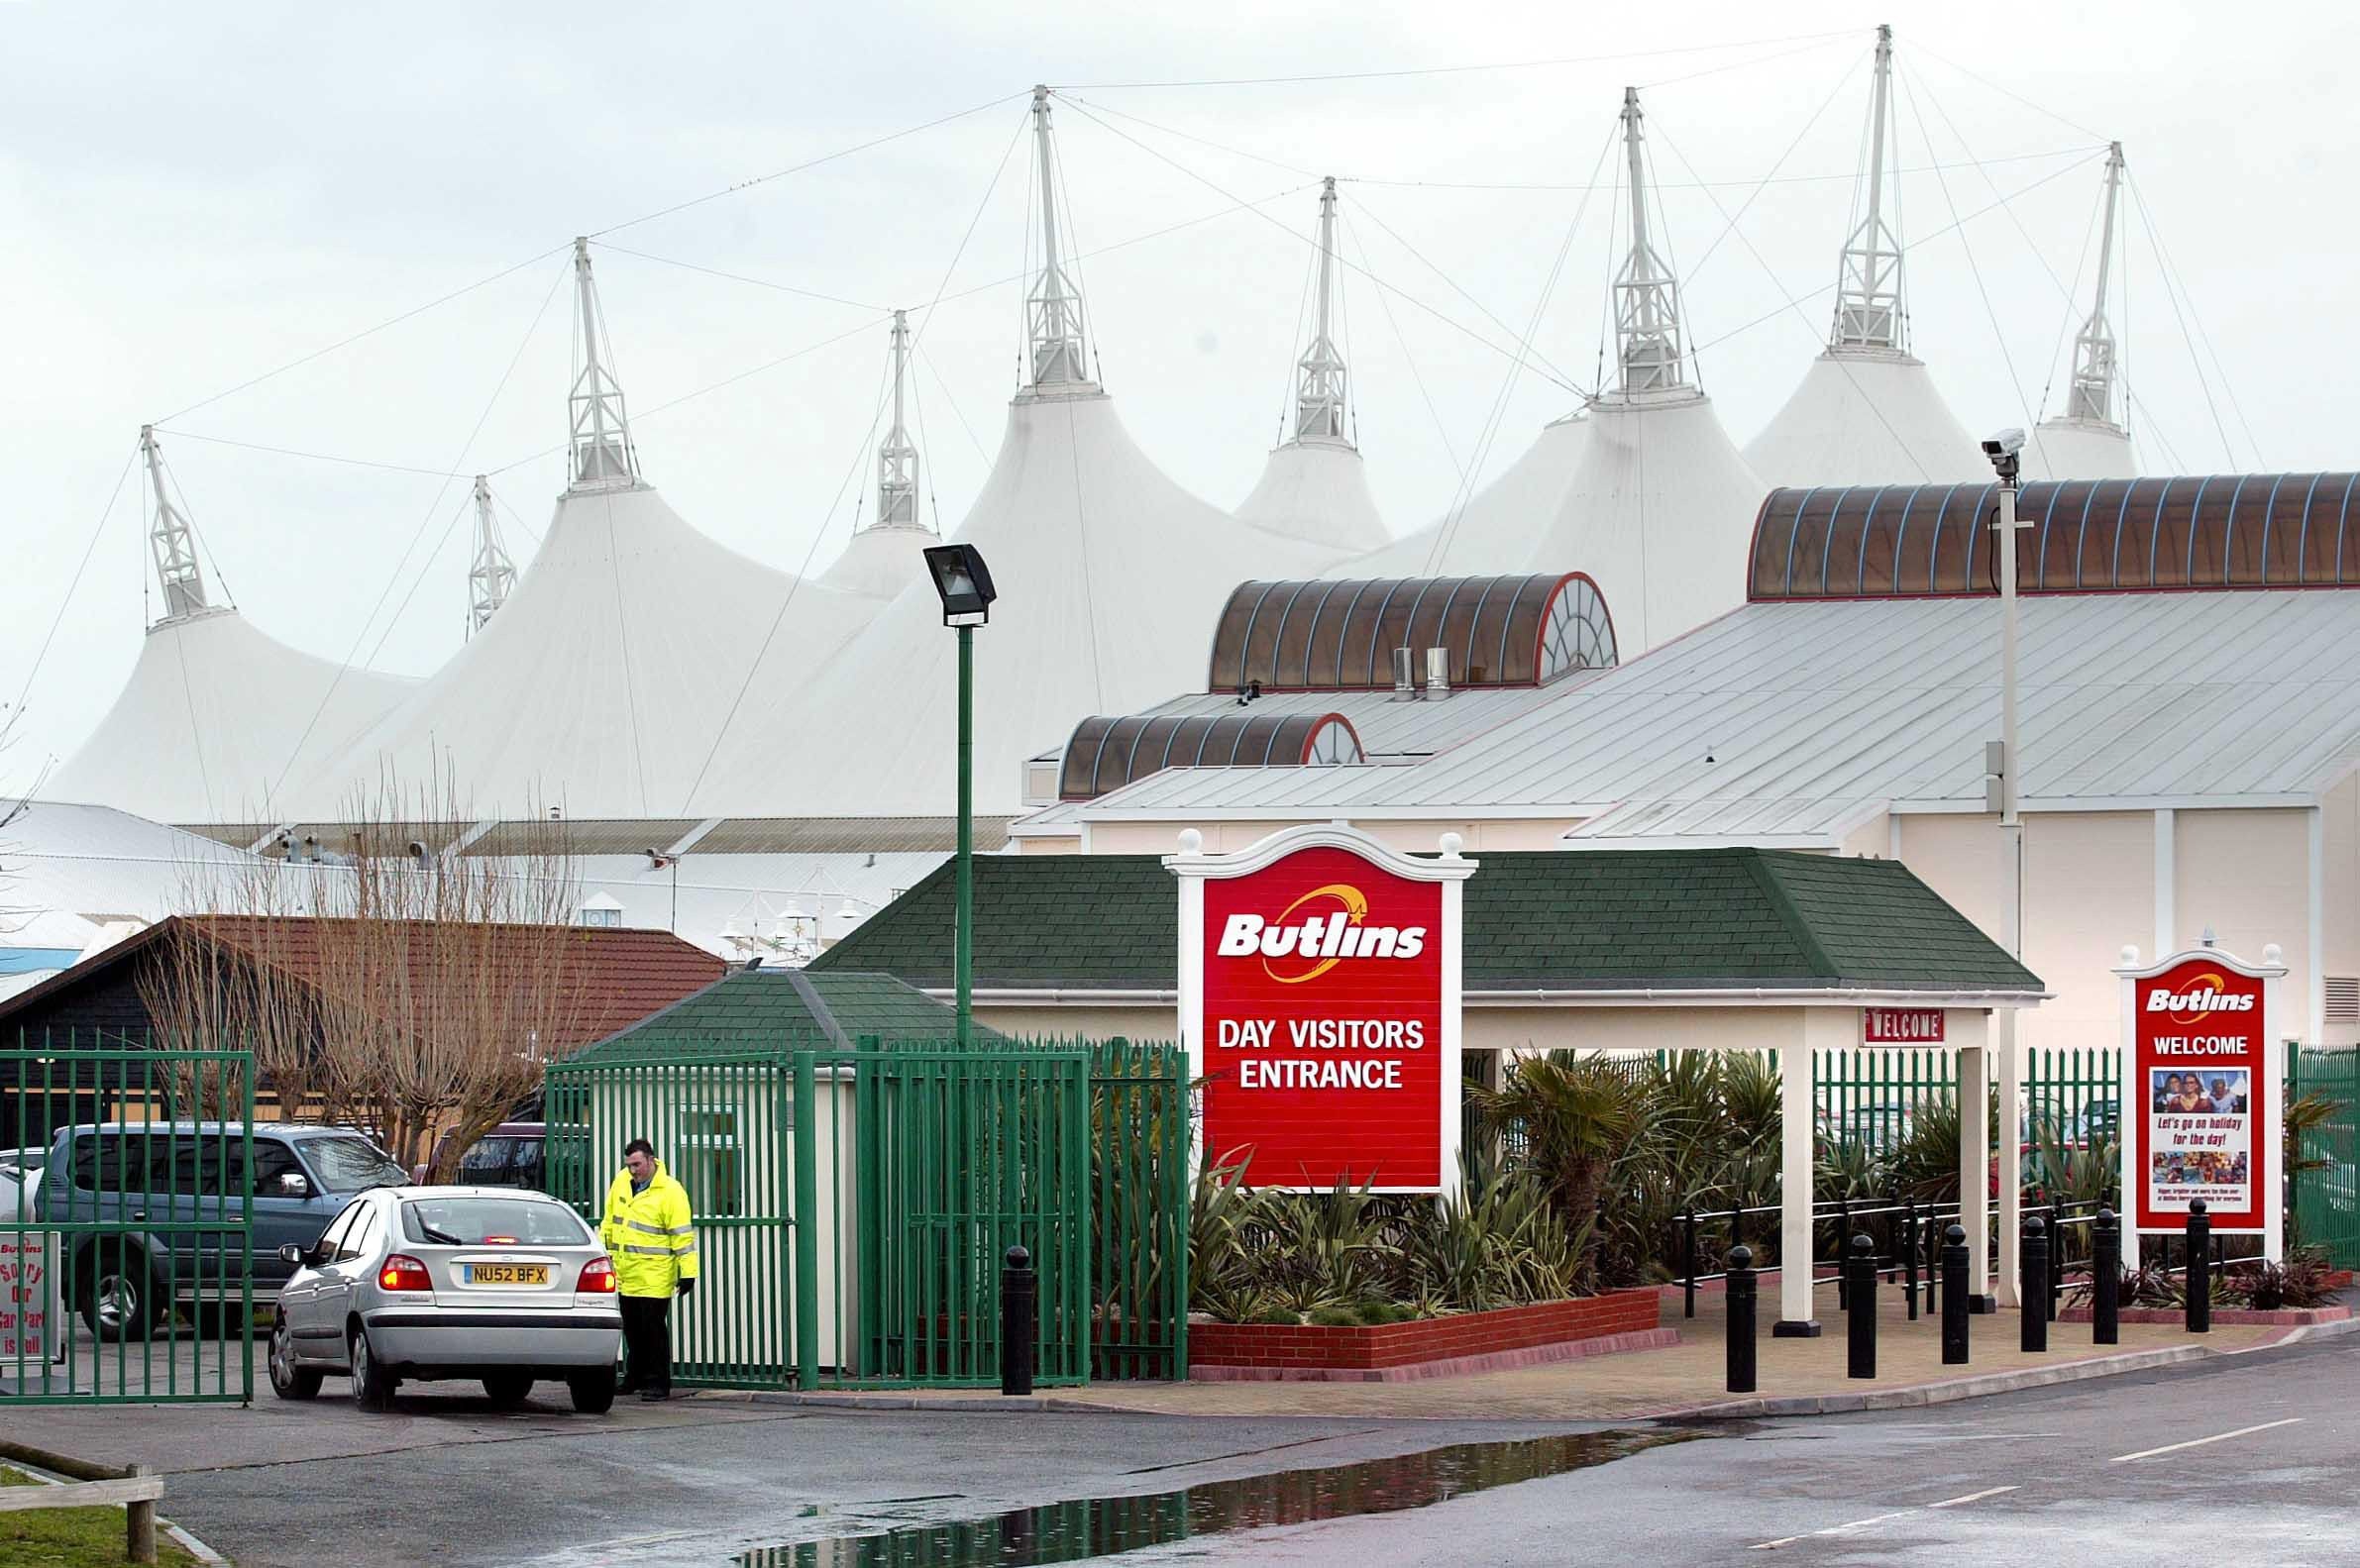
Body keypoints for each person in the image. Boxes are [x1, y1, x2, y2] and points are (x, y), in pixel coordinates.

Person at [599, 1137, 697, 1402]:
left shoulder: (670, 1191)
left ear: (651, 1160)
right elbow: (609, 1221)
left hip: (654, 1273)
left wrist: (688, 1272)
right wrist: (603, 1255)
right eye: (629, 1165)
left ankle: (658, 1383)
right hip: (626, 1272)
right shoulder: (621, 1181)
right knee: (632, 1330)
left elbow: (682, 1236)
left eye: (637, 1164)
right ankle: (634, 1378)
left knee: (653, 1330)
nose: (633, 1170)